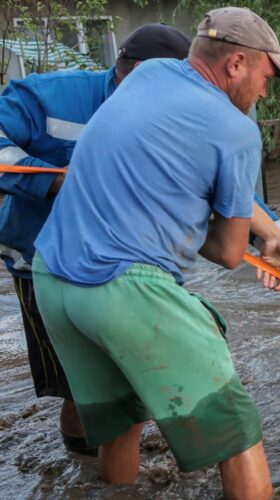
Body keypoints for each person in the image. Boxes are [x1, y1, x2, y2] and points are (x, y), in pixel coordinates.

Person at [30, 7, 280, 497]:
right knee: (237, 433)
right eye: (268, 76)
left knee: (122, 422)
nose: (268, 90)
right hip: (124, 289)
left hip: (52, 278)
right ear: (237, 64)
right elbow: (225, 252)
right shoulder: (238, 131)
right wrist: (269, 252)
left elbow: (161, 175)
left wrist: (271, 236)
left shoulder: (149, 73)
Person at [0, 23, 193, 456]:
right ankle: (86, 468)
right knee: (79, 385)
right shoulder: (48, 96)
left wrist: (278, 239)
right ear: (138, 73)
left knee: (136, 373)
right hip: (43, 266)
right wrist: (49, 181)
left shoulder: (179, 113)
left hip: (132, 268)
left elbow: (229, 189)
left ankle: (112, 462)